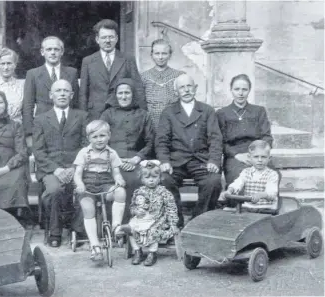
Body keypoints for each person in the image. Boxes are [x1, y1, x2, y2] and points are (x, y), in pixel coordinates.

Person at [156, 74, 223, 228]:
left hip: (200, 160)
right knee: (164, 180)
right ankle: (176, 221)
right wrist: (164, 161)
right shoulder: (169, 112)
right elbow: (161, 140)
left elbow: (215, 138)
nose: (186, 90)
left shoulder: (206, 110)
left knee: (213, 181)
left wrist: (213, 161)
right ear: (176, 92)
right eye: (182, 87)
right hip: (176, 161)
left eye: (189, 86)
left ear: (195, 88)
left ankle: (198, 222)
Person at [32, 79, 89, 248]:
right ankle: (54, 232)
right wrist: (56, 170)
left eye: (66, 91)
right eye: (58, 91)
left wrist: (74, 168)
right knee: (54, 190)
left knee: (82, 189)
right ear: (51, 95)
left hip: (76, 167)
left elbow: (86, 145)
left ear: (72, 95)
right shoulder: (41, 119)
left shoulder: (82, 116)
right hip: (51, 169)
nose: (62, 94)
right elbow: (38, 151)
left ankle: (78, 231)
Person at [100, 78, 154, 222]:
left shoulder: (143, 115)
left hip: (134, 159)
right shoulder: (107, 114)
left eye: (127, 93)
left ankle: (135, 225)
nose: (124, 97)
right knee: (119, 182)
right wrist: (116, 159)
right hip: (110, 159)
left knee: (137, 180)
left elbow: (150, 142)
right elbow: (100, 140)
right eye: (120, 93)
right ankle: (117, 227)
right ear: (115, 95)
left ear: (133, 94)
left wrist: (137, 158)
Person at [73, 120, 126, 261]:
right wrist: (80, 184)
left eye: (102, 135)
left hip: (105, 186)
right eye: (95, 137)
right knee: (87, 207)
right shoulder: (84, 153)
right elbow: (77, 174)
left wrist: (119, 179)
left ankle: (116, 226)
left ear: (109, 135)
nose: (99, 140)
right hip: (88, 187)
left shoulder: (112, 153)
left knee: (120, 192)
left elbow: (116, 172)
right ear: (89, 138)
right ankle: (95, 245)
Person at [79, 19, 146, 120]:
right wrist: (83, 118)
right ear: (97, 39)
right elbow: (83, 93)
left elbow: (138, 88)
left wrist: (143, 114)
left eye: (111, 37)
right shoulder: (88, 61)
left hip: (121, 113)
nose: (107, 41)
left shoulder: (128, 59)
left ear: (117, 38)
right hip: (95, 114)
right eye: (104, 37)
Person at [216, 74, 274, 187]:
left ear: (249, 91)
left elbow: (267, 137)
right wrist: (236, 154)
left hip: (257, 153)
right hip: (234, 156)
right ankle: (237, 204)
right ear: (231, 90)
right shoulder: (222, 113)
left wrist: (257, 154)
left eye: (244, 89)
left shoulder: (259, 111)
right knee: (237, 176)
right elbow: (219, 141)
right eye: (237, 89)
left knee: (273, 175)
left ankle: (266, 204)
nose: (240, 93)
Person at [118, 160, 178, 266]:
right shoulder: (139, 192)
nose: (151, 180)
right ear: (141, 179)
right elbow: (132, 207)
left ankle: (152, 253)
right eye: (147, 178)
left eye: (154, 177)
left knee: (152, 229)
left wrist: (173, 223)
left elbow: (171, 208)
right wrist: (136, 211)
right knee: (132, 227)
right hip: (141, 218)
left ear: (159, 178)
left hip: (158, 218)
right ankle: (137, 251)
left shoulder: (164, 193)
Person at [23, 36, 80, 148]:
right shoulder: (33, 74)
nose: (53, 53)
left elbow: (76, 102)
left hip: (66, 125)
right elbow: (27, 105)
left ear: (62, 52)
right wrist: (29, 134)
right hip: (42, 126)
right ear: (42, 52)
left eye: (56, 49)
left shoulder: (72, 73)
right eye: (49, 49)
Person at [219, 140, 279, 213]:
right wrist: (230, 190)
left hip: (266, 209)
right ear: (250, 158)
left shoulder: (272, 174)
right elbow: (238, 183)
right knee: (230, 214)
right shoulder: (246, 172)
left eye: (263, 157)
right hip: (248, 207)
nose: (260, 160)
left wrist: (261, 195)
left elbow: (272, 193)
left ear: (269, 158)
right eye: (256, 157)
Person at [141, 39, 185, 129]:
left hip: (174, 122)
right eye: (157, 53)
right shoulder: (144, 77)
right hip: (151, 123)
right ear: (151, 55)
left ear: (170, 55)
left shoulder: (179, 76)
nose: (160, 57)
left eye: (164, 53)